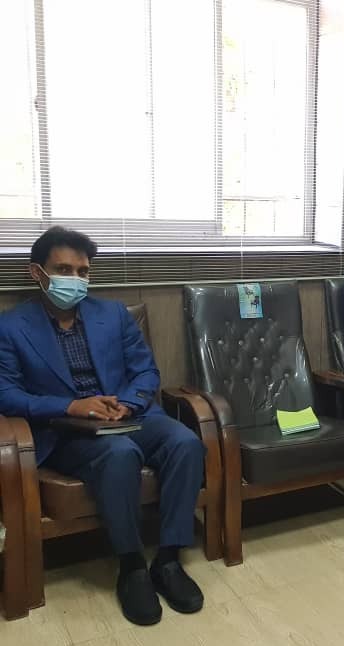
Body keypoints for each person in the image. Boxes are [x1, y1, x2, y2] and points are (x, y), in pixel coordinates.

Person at [0, 227, 206, 625]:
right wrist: (72, 406)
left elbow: (146, 371)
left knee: (186, 442)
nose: (75, 279)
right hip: (65, 429)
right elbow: (5, 394)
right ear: (36, 273)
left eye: (83, 272)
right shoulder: (11, 327)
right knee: (119, 453)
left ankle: (168, 559)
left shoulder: (112, 315)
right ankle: (131, 566)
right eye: (64, 269)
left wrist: (127, 404)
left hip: (129, 414)